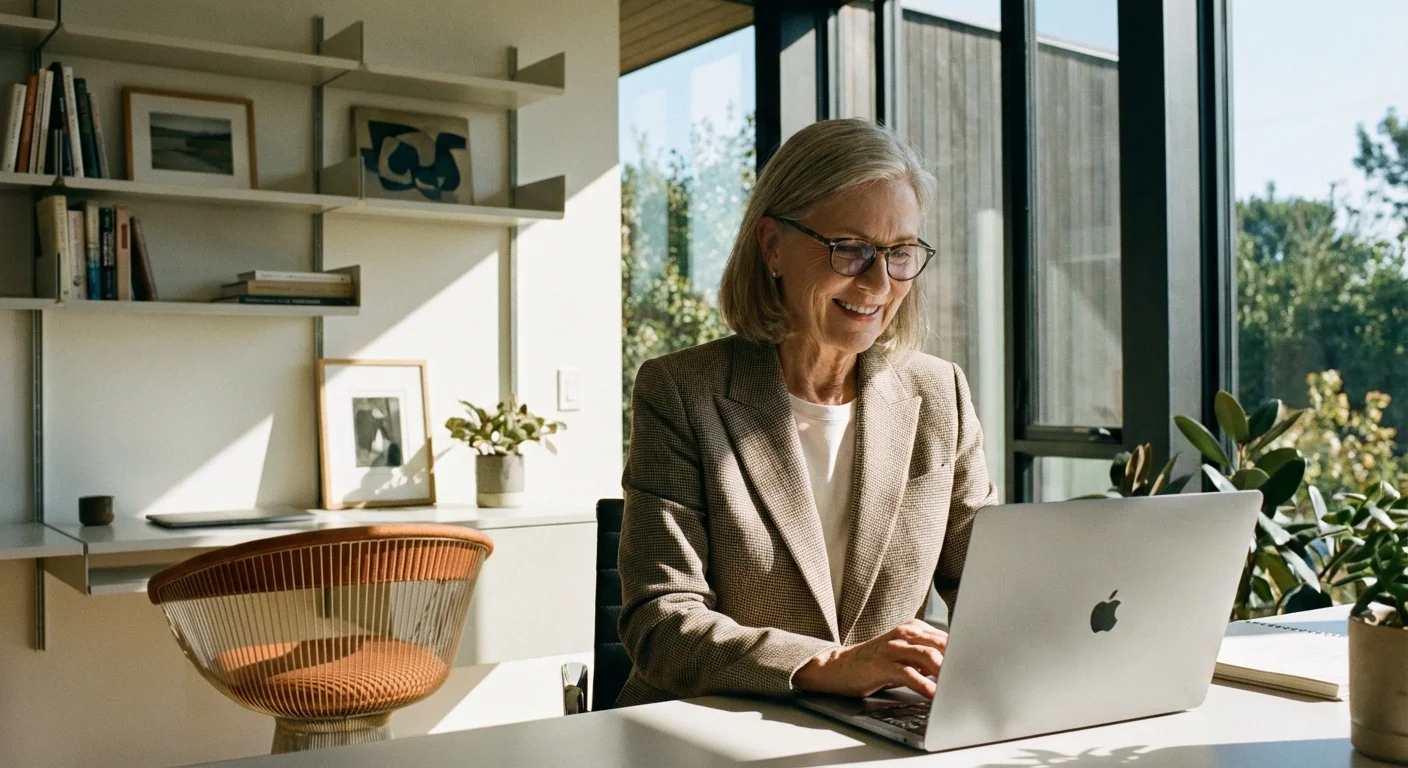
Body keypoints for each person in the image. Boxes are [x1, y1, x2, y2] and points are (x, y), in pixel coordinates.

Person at [616, 118, 997, 708]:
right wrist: (827, 665)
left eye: (900, 253)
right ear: (772, 244)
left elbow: (993, 590)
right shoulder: (681, 392)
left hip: (878, 736)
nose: (879, 281)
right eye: (849, 249)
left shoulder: (938, 393)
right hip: (712, 733)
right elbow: (661, 625)